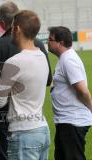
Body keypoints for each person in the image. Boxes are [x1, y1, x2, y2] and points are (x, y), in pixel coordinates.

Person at [0, 2, 52, 159]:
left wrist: (9, 89)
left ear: (18, 29)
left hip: (22, 132)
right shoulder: (41, 54)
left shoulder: (14, 62)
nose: (10, 31)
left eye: (13, 27)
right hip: (42, 129)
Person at [48, 26, 92, 160]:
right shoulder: (65, 58)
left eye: (50, 39)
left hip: (72, 122)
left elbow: (83, 91)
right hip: (67, 121)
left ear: (60, 43)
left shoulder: (69, 60)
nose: (48, 42)